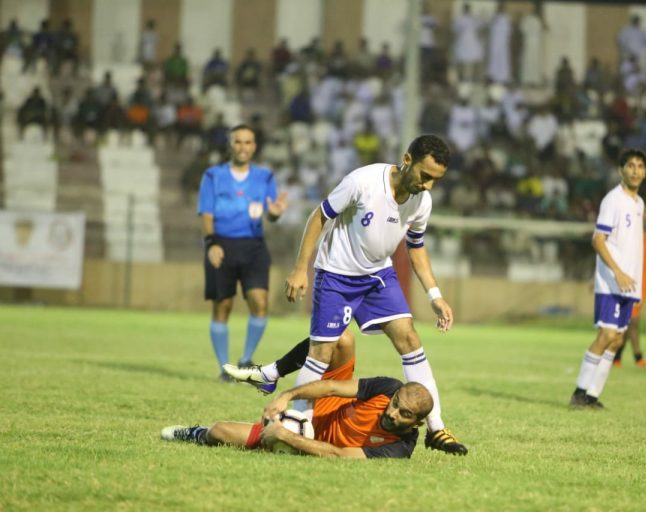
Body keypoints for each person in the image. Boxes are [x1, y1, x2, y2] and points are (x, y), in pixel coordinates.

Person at [227, 134, 467, 455]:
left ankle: (436, 428)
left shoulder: (422, 201)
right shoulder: (363, 181)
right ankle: (297, 420)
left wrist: (435, 296)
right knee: (323, 351)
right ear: (407, 160)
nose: (428, 186)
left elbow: (416, 246)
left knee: (410, 339)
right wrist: (301, 268)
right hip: (337, 274)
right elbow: (319, 217)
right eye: (425, 176)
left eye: (436, 180)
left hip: (377, 276)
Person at [163, 330, 433, 458]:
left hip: (314, 440)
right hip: (326, 406)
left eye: (404, 414)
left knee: (219, 431)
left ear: (418, 423)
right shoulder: (389, 388)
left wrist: (287, 436)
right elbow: (331, 388)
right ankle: (271, 375)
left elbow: (339, 455)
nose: (393, 413)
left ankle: (198, 433)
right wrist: (287, 396)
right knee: (342, 338)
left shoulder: (401, 448)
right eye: (395, 404)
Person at [197, 124, 288, 382]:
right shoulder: (213, 176)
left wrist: (275, 213)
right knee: (222, 307)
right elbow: (206, 214)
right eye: (238, 141)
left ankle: (246, 359)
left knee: (260, 302)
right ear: (230, 145)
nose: (243, 147)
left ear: (254, 146)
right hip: (221, 245)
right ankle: (224, 369)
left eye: (248, 142)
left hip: (254, 247)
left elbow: (271, 212)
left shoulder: (265, 177)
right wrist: (211, 244)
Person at [569, 149, 646, 409]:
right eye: (630, 165)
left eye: (640, 166)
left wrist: (633, 279)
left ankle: (592, 396)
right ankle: (579, 392)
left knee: (617, 340)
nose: (635, 170)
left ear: (645, 173)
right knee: (607, 335)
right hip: (612, 282)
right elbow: (598, 240)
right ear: (620, 170)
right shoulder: (613, 200)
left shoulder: (639, 204)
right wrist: (618, 272)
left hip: (629, 284)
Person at [613, 212, 646, 370]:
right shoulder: (628, 237)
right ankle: (638, 357)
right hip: (630, 284)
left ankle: (616, 357)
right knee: (633, 321)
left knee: (629, 321)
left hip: (643, 286)